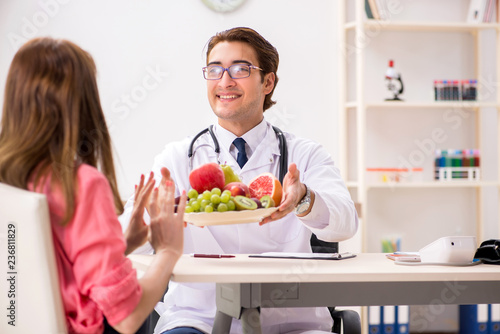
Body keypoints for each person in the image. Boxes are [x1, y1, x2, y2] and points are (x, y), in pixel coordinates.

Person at [120, 27, 359, 334]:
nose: (224, 81)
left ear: (268, 82)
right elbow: (126, 248)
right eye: (214, 70)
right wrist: (150, 222)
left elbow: (346, 223)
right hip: (197, 319)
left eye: (240, 69)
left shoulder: (304, 154)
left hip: (291, 322)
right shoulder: (177, 159)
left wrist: (304, 199)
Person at [0, 37, 187, 334]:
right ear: (82, 104)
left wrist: (123, 244)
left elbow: (43, 269)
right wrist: (168, 251)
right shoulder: (80, 185)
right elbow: (126, 318)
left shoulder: (11, 177)